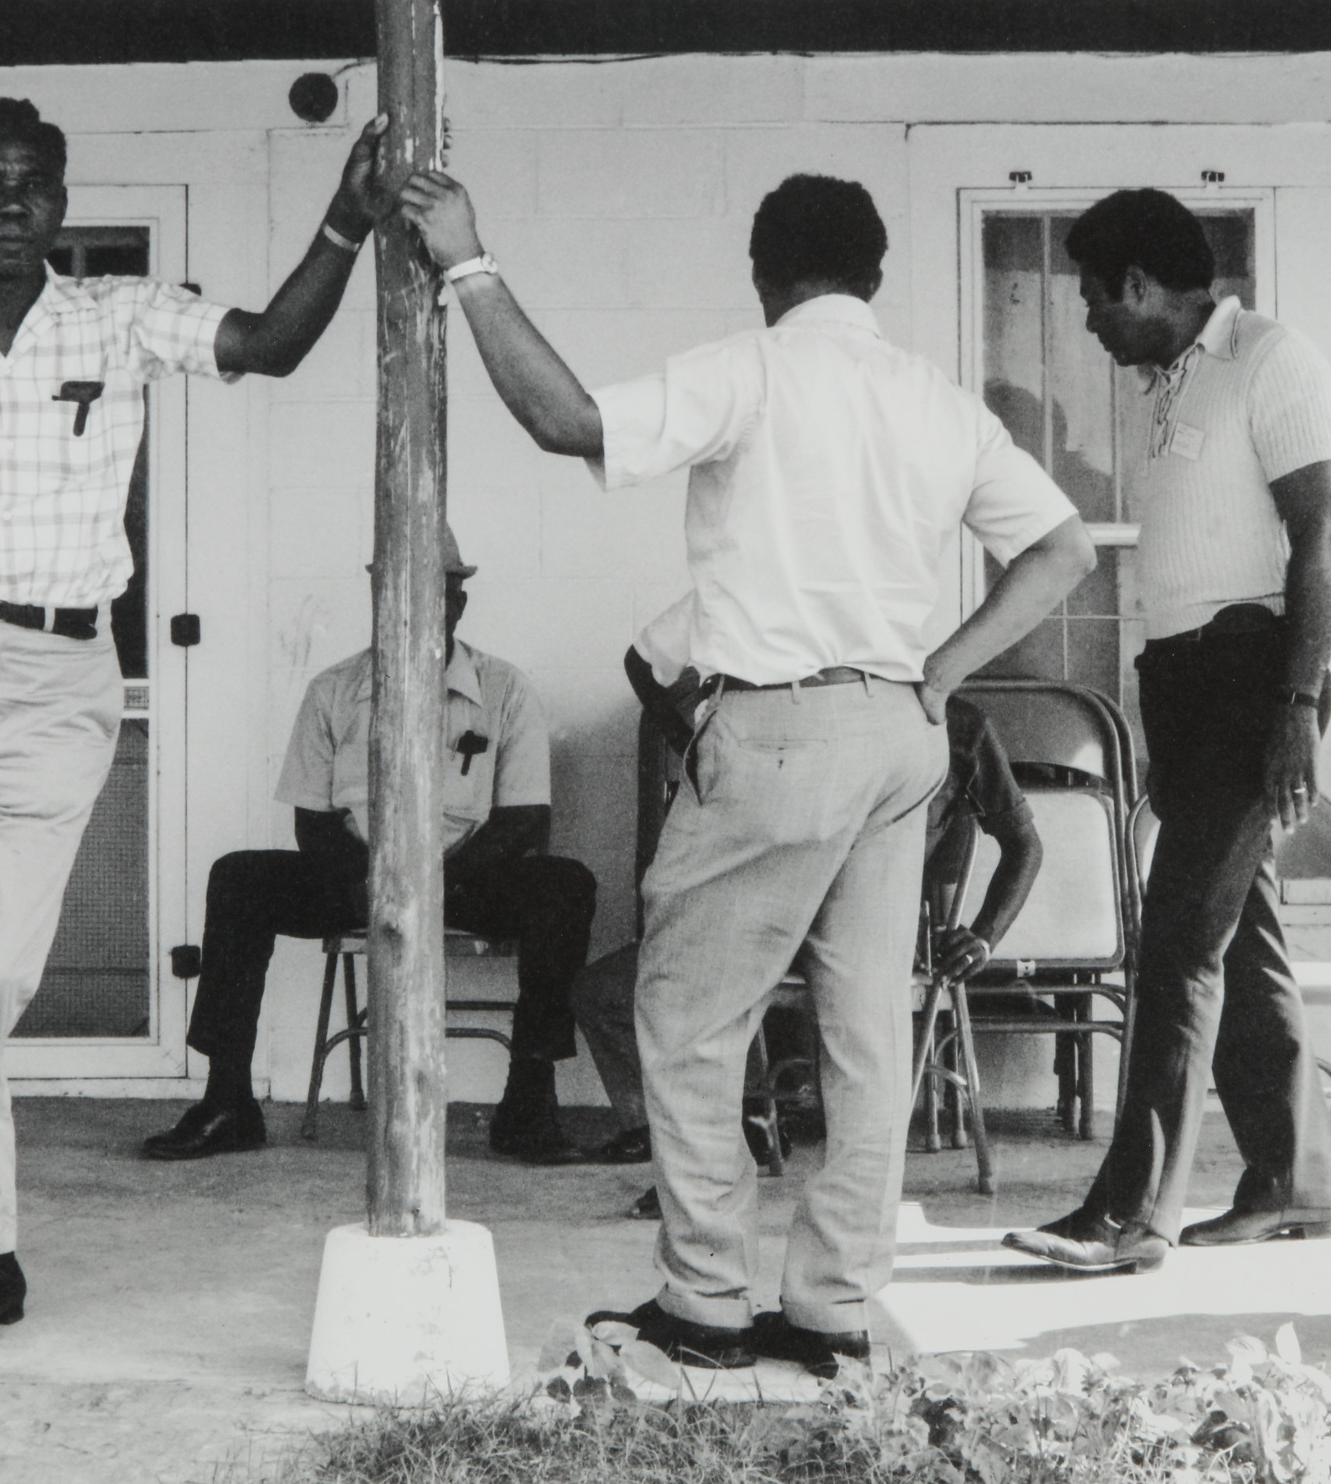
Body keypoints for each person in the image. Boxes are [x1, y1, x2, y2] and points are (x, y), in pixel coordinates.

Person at [397, 169, 1094, 1377]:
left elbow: (570, 422)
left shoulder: (756, 368)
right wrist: (938, 673)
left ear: (766, 275)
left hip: (778, 731)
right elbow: (1063, 547)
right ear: (873, 276)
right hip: (898, 734)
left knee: (685, 1017)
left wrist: (468, 264)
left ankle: (709, 1301)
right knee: (867, 1036)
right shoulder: (936, 399)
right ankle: (830, 1311)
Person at [0, 97, 387, 1350]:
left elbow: (268, 343)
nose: (11, 202)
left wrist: (346, 220)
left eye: (33, 182)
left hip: (60, 674)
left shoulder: (117, 314)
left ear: (61, 200)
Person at [1000, 188, 1331, 1278]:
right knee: (1241, 935)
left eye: (1097, 301)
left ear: (1143, 287)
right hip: (1191, 686)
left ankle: (1128, 1215)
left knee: (1179, 938)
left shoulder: (1271, 359)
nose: (1093, 324)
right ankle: (1295, 1182)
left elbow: (1323, 538)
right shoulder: (1166, 382)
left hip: (1258, 680)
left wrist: (1296, 708)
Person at [142, 528, 597, 1166]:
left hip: (462, 877)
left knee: (565, 885)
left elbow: (524, 820)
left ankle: (528, 1102)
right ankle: (227, 1101)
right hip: (357, 878)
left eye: (433, 595)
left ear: (459, 601)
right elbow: (314, 822)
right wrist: (378, 879)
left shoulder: (505, 689)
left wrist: (433, 878)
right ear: (377, 598)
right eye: (397, 594)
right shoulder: (333, 690)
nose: (413, 610)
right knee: (239, 877)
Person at [575, 606, 1045, 1217]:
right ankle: (715, 1141)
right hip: (759, 915)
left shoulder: (954, 723)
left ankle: (817, 1195)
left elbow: (1025, 844)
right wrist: (695, 744)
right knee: (605, 991)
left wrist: (983, 936)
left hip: (866, 932)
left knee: (854, 1039)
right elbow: (646, 663)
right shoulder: (768, 711)